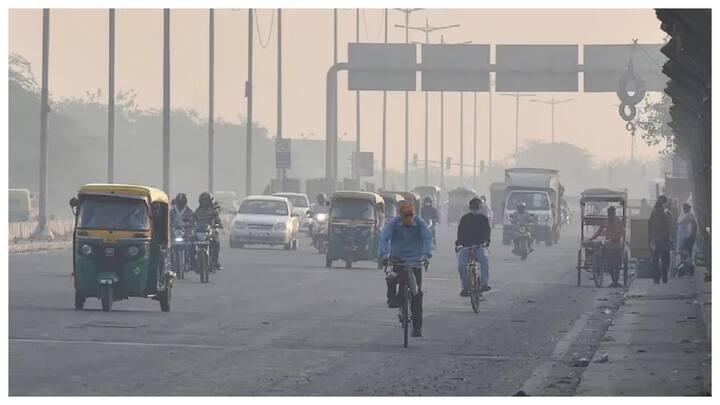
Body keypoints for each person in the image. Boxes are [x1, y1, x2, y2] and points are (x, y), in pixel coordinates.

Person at [379, 201, 433, 337]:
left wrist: (427, 255)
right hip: (398, 259)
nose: (408, 218)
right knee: (391, 278)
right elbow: (384, 238)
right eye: (405, 215)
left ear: (414, 215)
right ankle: (392, 299)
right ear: (400, 216)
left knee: (417, 294)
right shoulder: (394, 223)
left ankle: (417, 327)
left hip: (415, 262)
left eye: (411, 215)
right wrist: (384, 255)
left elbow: (427, 238)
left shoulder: (419, 223)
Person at [455, 197, 492, 296]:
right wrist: (458, 243)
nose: (475, 209)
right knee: (461, 265)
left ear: (480, 207)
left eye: (477, 207)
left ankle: (484, 284)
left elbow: (487, 232)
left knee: (485, 261)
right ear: (470, 207)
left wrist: (486, 241)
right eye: (473, 207)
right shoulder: (464, 219)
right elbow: (460, 232)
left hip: (479, 246)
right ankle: (466, 287)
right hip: (466, 247)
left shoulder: (484, 219)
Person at [589, 206, 626, 287]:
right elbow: (599, 231)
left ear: (614, 213)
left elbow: (622, 232)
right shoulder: (606, 221)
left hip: (617, 246)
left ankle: (615, 281)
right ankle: (614, 281)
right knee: (610, 265)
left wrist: (615, 238)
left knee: (617, 265)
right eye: (609, 214)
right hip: (609, 247)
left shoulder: (618, 221)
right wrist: (592, 238)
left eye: (611, 214)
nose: (610, 216)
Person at [194, 192, 224, 271]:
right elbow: (192, 220)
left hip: (211, 233)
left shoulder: (213, 212)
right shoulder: (197, 211)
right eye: (203, 201)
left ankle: (214, 262)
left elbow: (218, 221)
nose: (205, 203)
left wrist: (219, 225)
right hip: (199, 233)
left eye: (206, 201)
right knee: (190, 244)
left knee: (216, 243)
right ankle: (193, 262)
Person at [648, 197, 674, 284]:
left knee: (663, 261)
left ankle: (661, 277)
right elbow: (650, 226)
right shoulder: (655, 213)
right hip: (658, 241)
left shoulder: (667, 214)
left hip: (662, 241)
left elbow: (671, 228)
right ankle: (659, 278)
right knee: (659, 260)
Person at [676, 202, 698, 272]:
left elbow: (681, 222)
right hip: (687, 236)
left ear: (687, 208)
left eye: (684, 208)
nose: (683, 209)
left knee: (687, 253)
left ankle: (688, 268)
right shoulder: (687, 215)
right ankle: (685, 268)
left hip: (688, 237)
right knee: (686, 252)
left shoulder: (689, 215)